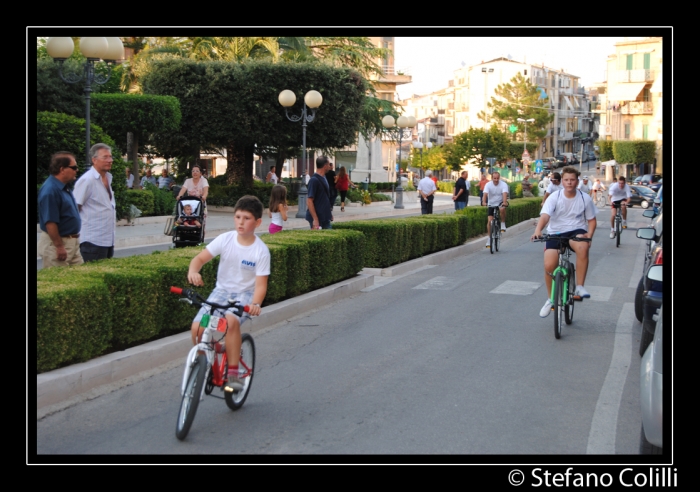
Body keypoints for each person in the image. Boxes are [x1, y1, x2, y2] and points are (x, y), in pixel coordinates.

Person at [187, 195, 270, 392]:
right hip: (220, 293)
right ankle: (212, 355)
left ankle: (233, 373)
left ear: (257, 222)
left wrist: (256, 304)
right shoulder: (225, 239)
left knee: (231, 321)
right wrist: (193, 271)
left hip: (245, 296)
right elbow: (199, 259)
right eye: (238, 217)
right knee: (198, 328)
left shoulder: (261, 251)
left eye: (247, 218)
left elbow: (260, 286)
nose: (241, 222)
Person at [531, 166, 596, 317]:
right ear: (562, 181)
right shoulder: (555, 197)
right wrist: (538, 230)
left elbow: (592, 220)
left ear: (577, 181)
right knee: (549, 265)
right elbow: (545, 216)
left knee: (583, 247)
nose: (569, 183)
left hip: (576, 230)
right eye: (566, 180)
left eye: (572, 180)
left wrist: (589, 234)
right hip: (556, 232)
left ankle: (579, 286)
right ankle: (550, 299)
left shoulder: (584, 198)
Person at [38, 151, 83, 268]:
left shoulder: (63, 187)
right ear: (62, 169)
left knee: (80, 278)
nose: (76, 170)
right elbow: (50, 222)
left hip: (71, 242)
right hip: (58, 244)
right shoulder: (50, 191)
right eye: (74, 167)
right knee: (60, 281)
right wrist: (59, 246)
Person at [73, 143, 117, 262]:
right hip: (92, 240)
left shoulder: (108, 178)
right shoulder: (87, 180)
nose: (110, 160)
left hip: (107, 239)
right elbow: (74, 208)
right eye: (105, 157)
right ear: (94, 160)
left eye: (110, 157)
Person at [482, 171, 509, 248]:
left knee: (502, 209)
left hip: (500, 202)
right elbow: (485, 194)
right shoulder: (488, 185)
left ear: (499, 178)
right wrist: (484, 202)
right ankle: (489, 238)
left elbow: (504, 194)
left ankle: (503, 223)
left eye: (497, 178)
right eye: (494, 178)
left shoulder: (503, 184)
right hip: (491, 203)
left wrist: (504, 202)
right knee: (490, 221)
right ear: (492, 178)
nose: (496, 180)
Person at [306, 155, 333, 230]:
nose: (330, 166)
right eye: (328, 164)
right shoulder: (314, 180)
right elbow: (309, 201)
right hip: (318, 218)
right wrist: (315, 219)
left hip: (325, 217)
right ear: (325, 166)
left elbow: (325, 197)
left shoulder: (324, 177)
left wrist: (329, 213)